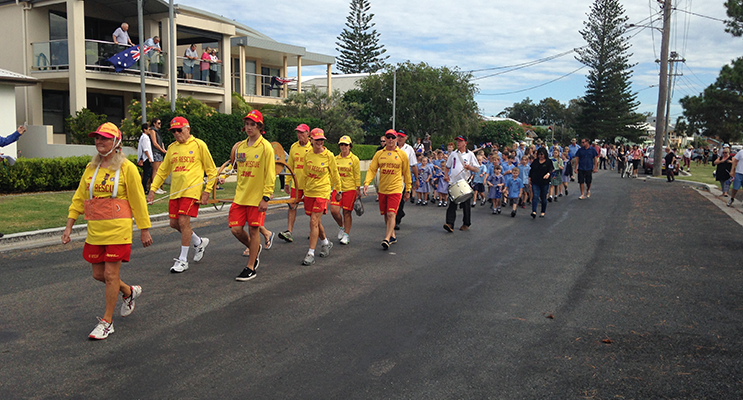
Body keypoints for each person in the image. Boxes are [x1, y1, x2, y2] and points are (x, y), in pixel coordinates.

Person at [62, 122, 152, 340]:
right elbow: (79, 198)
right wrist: (69, 225)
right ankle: (129, 292)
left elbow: (138, 200)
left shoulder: (128, 168)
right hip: (95, 230)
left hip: (118, 230)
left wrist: (144, 229)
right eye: (97, 138)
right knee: (99, 275)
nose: (99, 142)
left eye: (104, 138)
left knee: (111, 274)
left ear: (116, 143)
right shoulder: (91, 169)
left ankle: (106, 322)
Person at [147, 116, 217, 273]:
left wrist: (206, 192)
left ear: (188, 129)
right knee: (174, 223)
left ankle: (183, 260)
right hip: (175, 192)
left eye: (179, 130)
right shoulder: (172, 148)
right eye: (173, 131)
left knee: (184, 222)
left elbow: (212, 171)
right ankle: (198, 242)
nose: (177, 133)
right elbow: (162, 171)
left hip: (192, 191)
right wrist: (152, 190)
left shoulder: (199, 145)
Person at [226, 110, 275, 281]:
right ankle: (255, 249)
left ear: (260, 126)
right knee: (236, 230)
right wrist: (223, 177)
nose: (249, 127)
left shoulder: (265, 147)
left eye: (252, 124)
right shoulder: (240, 146)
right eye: (247, 124)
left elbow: (270, 174)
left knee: (254, 231)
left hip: (257, 198)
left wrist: (266, 197)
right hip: (240, 196)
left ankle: (250, 266)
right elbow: (237, 168)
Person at [363, 129, 412, 249]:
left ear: (396, 139)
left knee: (391, 214)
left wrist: (408, 189)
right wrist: (366, 183)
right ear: (385, 139)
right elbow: (372, 169)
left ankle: (387, 238)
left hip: (396, 189)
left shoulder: (402, 154)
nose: (390, 140)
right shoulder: (379, 154)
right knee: (385, 214)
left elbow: (406, 173)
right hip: (383, 189)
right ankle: (392, 235)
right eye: (388, 137)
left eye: (393, 137)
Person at [300, 128, 341, 265]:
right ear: (311, 140)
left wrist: (339, 191)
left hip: (322, 192)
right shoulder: (308, 156)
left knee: (313, 221)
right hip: (310, 192)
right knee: (316, 222)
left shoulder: (329, 156)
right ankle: (325, 242)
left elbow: (335, 174)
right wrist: (301, 192)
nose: (320, 142)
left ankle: (310, 253)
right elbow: (305, 175)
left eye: (321, 140)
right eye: (317, 140)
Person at [278, 124, 311, 243]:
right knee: (292, 206)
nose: (300, 135)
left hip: (309, 184)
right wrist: (287, 182)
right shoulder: (294, 147)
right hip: (296, 184)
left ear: (308, 133)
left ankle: (313, 231)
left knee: (311, 209)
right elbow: (290, 165)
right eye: (298, 132)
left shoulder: (313, 147)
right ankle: (289, 231)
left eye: (302, 133)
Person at [443, 135, 479, 232]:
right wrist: (446, 175)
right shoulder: (453, 154)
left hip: (465, 182)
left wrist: (470, 168)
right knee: (452, 204)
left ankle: (466, 223)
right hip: (454, 182)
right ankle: (450, 223)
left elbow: (477, 168)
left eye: (460, 141)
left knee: (466, 205)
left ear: (465, 143)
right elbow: (447, 166)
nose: (458, 143)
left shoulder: (470, 154)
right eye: (457, 141)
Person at [330, 135, 361, 245]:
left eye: (346, 145)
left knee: (347, 212)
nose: (343, 147)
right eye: (341, 144)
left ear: (350, 146)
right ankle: (341, 226)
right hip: (337, 189)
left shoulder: (354, 159)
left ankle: (346, 235)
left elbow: (357, 174)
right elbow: (332, 174)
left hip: (350, 189)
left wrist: (358, 188)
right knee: (334, 210)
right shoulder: (335, 159)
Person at [395, 129, 418, 229]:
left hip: (404, 178)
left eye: (402, 136)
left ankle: (396, 220)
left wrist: (416, 179)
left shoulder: (409, 149)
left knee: (400, 199)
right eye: (398, 136)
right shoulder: (391, 147)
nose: (399, 138)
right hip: (392, 177)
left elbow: (413, 165)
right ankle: (395, 215)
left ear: (406, 138)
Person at [529, 147, 554, 218]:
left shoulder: (548, 161)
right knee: (535, 196)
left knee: (543, 197)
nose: (540, 156)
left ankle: (543, 211)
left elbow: (551, 169)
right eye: (539, 154)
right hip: (535, 181)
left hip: (544, 182)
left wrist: (548, 174)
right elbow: (532, 170)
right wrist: (529, 179)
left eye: (542, 154)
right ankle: (534, 211)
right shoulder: (536, 161)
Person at [148, 118, 167, 194]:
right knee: (155, 170)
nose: (160, 125)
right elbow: (155, 143)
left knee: (160, 170)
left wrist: (163, 149)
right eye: (158, 123)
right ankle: (155, 187)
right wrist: (161, 150)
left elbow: (161, 142)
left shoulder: (158, 131)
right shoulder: (152, 130)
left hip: (160, 152)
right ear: (154, 123)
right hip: (155, 151)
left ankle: (159, 186)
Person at [136, 123, 153, 194]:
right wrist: (149, 157)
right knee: (147, 174)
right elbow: (145, 149)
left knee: (147, 174)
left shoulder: (145, 137)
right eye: (148, 129)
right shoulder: (145, 138)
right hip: (146, 158)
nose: (150, 130)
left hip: (146, 157)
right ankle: (144, 189)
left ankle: (145, 188)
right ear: (145, 129)